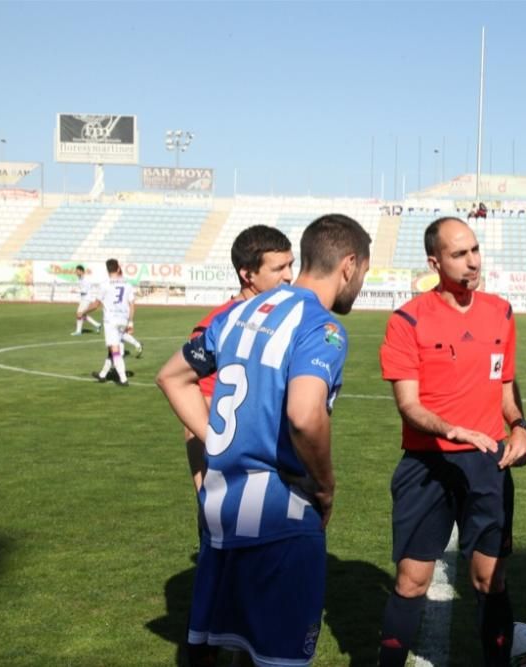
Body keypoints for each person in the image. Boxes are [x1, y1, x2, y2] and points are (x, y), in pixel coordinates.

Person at [156, 214, 371, 667]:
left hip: (221, 514)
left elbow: (171, 377)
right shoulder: (322, 327)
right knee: (277, 658)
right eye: (364, 273)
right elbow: (304, 414)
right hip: (281, 518)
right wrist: (327, 488)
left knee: (216, 651)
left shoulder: (235, 313)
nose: (361, 283)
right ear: (348, 265)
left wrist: (219, 438)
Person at [377, 217, 526, 667]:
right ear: (435, 261)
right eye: (459, 254)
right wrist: (450, 429)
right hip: (427, 465)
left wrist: (520, 425)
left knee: (491, 581)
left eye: (476, 250)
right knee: (411, 582)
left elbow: (505, 389)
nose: (473, 261)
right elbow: (408, 404)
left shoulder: (500, 312)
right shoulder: (407, 320)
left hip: (487, 465)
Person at [183, 224, 296, 494]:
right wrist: (203, 489)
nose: (290, 276)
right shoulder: (216, 328)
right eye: (279, 269)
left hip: (286, 473)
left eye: (291, 265)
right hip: (237, 484)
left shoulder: (288, 317)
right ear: (247, 275)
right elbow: (200, 413)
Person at [89, 259, 137, 386]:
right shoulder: (127, 284)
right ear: (118, 268)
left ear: (107, 269)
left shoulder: (104, 284)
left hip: (111, 321)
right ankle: (103, 374)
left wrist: (84, 312)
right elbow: (132, 305)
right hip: (123, 320)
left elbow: (96, 304)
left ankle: (123, 379)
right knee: (113, 348)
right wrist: (131, 323)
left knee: (115, 350)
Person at [71, 264, 101, 336]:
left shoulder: (86, 280)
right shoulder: (80, 279)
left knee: (79, 314)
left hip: (86, 299)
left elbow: (85, 291)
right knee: (82, 314)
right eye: (76, 271)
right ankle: (97, 325)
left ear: (81, 271)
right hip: (83, 299)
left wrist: (75, 291)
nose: (76, 272)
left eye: (77, 271)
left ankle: (78, 331)